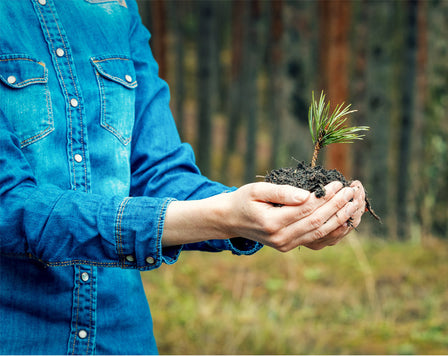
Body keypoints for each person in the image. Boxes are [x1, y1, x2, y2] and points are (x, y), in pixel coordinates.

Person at [0, 0, 367, 354]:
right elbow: (9, 205)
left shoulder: (115, 9)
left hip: (122, 338)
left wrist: (261, 211)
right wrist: (221, 217)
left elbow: (157, 172)